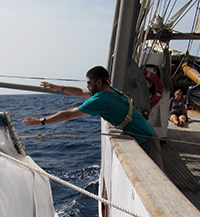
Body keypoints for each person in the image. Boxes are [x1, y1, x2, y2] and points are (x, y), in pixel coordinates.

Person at [23, 66, 163, 170]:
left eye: (90, 83)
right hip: (146, 136)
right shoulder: (110, 90)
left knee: (156, 180)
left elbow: (68, 114)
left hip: (147, 140)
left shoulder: (100, 100)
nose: (87, 86)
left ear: (99, 82)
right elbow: (80, 92)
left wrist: (41, 121)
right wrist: (58, 87)